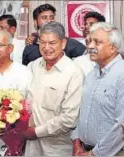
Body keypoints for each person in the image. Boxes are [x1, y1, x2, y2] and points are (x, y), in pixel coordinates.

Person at [22, 21, 84, 156]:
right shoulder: (33, 66)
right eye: (42, 42)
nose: (46, 47)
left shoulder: (74, 73)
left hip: (56, 147)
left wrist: (37, 132)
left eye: (52, 43)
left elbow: (69, 118)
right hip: (30, 146)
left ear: (63, 43)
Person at [71, 22, 124, 156]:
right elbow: (82, 113)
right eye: (90, 41)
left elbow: (121, 126)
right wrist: (77, 142)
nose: (90, 46)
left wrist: (94, 154)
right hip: (84, 149)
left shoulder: (122, 74)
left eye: (97, 42)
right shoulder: (92, 74)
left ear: (113, 48)